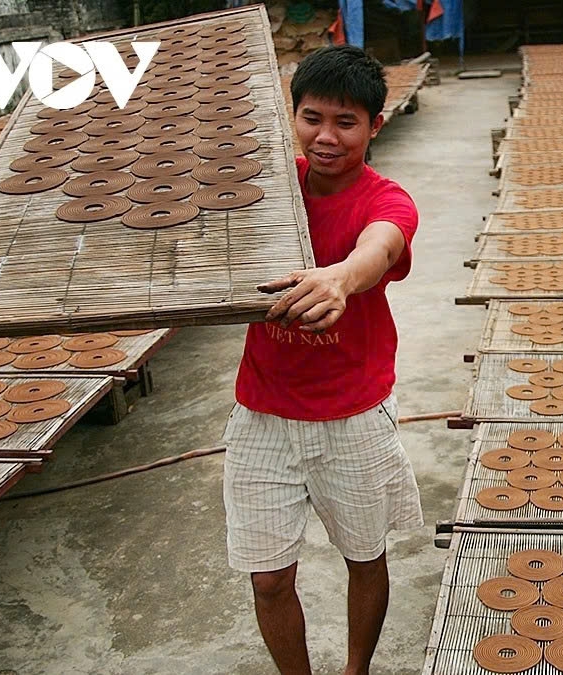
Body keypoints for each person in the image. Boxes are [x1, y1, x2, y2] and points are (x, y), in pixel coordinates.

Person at [222, 45, 423, 675]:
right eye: (312, 119)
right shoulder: (269, 192)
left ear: (374, 127)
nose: (327, 137)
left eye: (346, 122)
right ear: (293, 116)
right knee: (268, 579)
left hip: (353, 416)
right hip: (264, 413)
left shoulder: (386, 201)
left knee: (365, 557)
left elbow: (380, 246)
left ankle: (355, 669)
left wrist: (339, 279)